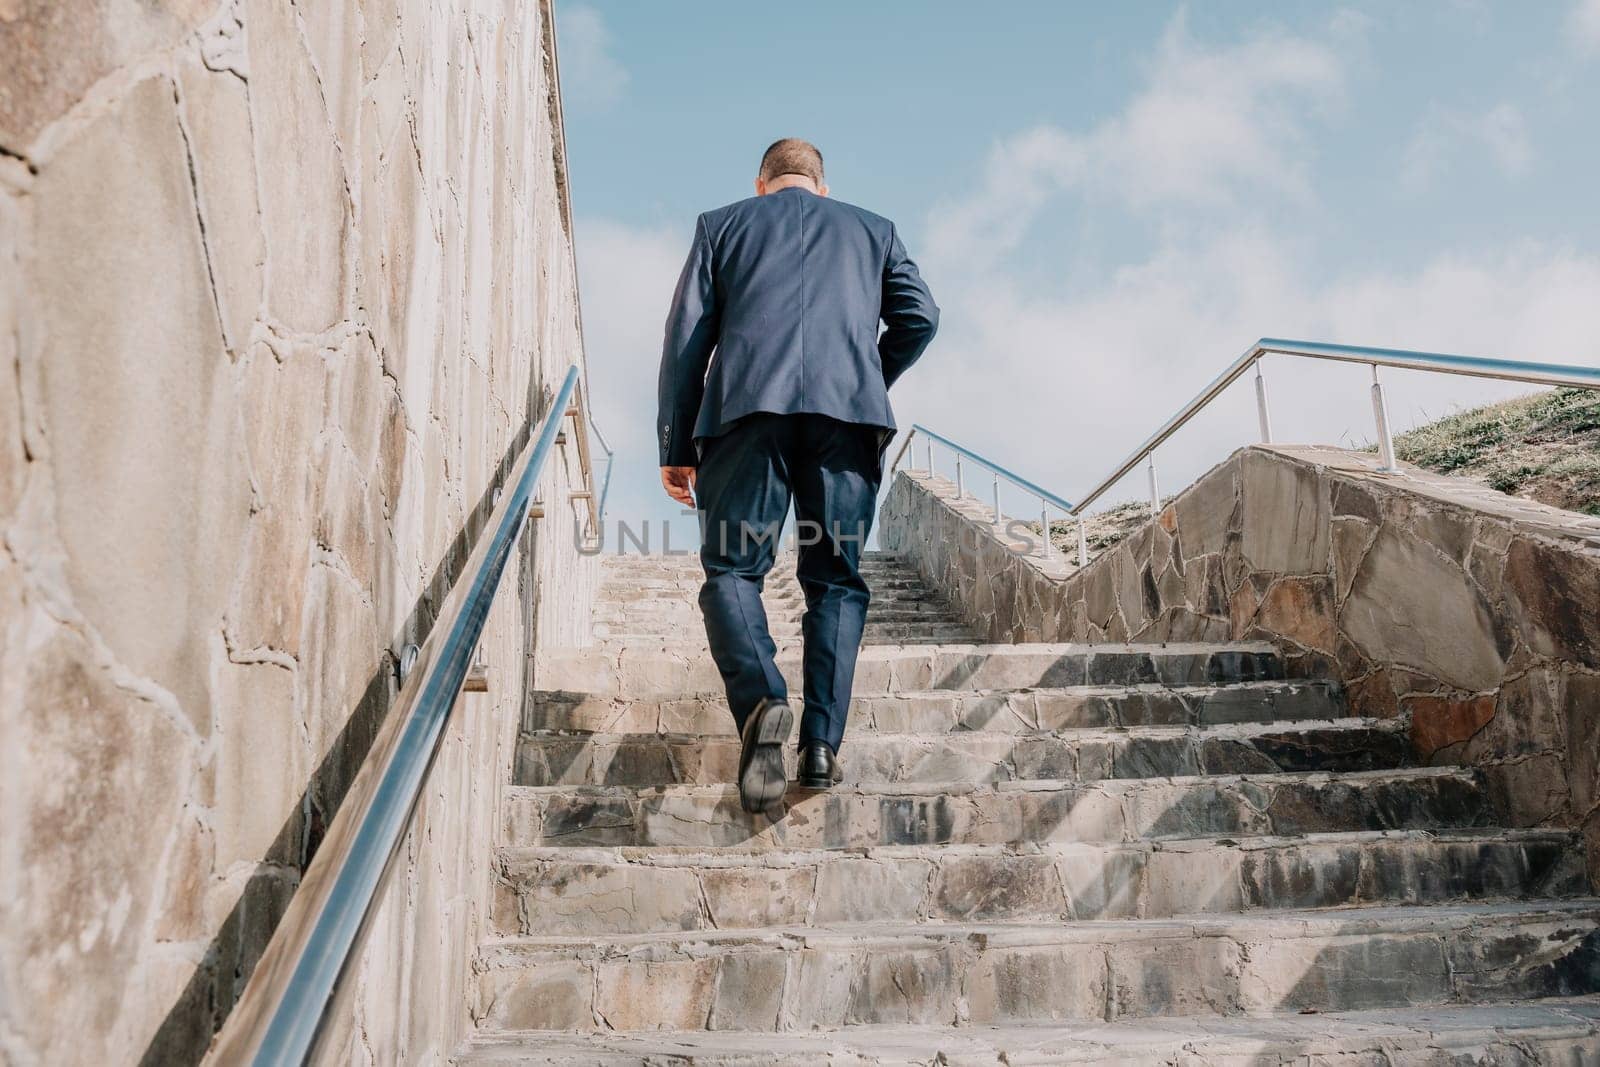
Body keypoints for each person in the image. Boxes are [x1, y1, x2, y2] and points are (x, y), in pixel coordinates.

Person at [656, 138, 939, 813]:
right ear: (821, 183)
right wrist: (867, 376)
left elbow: (687, 338)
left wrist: (676, 440)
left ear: (762, 183)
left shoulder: (721, 225)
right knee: (835, 578)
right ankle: (820, 744)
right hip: (847, 419)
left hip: (745, 414)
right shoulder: (874, 230)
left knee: (732, 570)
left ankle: (761, 701)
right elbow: (920, 317)